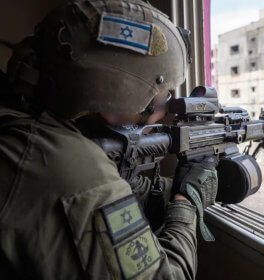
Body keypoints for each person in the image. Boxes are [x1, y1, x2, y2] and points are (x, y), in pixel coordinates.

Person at [0, 0, 218, 279]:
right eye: (164, 92)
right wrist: (186, 202)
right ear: (122, 92)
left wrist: (171, 186)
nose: (165, 103)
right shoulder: (71, 169)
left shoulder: (25, 120)